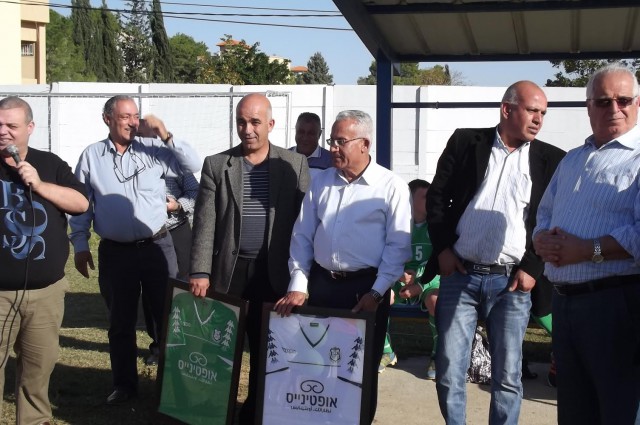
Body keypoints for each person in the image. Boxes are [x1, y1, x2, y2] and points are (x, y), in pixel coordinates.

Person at [426, 81, 565, 424]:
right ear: (507, 109)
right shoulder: (465, 142)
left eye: (543, 113)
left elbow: (554, 220)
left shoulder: (552, 159)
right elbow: (437, 197)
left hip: (511, 284)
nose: (539, 119)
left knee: (507, 377)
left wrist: (532, 267)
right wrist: (443, 249)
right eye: (532, 110)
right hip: (460, 276)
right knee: (449, 370)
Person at [275, 109, 412, 424]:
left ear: (364, 144)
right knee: (317, 364)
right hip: (323, 286)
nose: (333, 148)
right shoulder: (321, 182)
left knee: (359, 372)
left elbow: (398, 247)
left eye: (340, 141)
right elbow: (302, 235)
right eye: (332, 141)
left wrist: (377, 293)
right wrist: (298, 284)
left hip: (366, 290)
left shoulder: (391, 186)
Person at [69, 95, 201, 405]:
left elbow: (193, 165)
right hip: (116, 253)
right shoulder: (91, 156)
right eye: (125, 116)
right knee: (120, 322)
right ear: (108, 119)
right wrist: (80, 244)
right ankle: (124, 386)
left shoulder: (153, 149)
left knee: (170, 318)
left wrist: (164, 134)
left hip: (157, 246)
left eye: (135, 116)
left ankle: (175, 386)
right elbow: (81, 205)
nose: (132, 122)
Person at [189, 93, 309, 425]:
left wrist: (302, 277)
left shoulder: (294, 164)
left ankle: (255, 410)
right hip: (229, 272)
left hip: (273, 273)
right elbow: (205, 222)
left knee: (265, 348)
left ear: (270, 124)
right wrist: (200, 270)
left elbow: (305, 224)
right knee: (219, 347)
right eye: (241, 122)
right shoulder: (217, 165)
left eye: (255, 122)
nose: (247, 129)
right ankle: (213, 408)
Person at [533, 63, 640, 425]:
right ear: (589, 106)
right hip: (565, 305)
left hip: (616, 304)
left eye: (624, 100)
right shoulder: (573, 159)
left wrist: (588, 249)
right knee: (575, 411)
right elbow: (544, 214)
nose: (615, 108)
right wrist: (541, 240)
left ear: (638, 103)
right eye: (604, 101)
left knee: (619, 411)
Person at [0, 96, 89, 424]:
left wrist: (38, 184)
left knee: (38, 369)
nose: (3, 132)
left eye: (11, 125)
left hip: (45, 294)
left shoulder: (49, 164)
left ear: (30, 127)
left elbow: (80, 203)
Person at [379, 179, 440, 381]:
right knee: (380, 298)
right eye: (425, 197)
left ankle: (438, 356)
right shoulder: (397, 226)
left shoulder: (436, 226)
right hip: (400, 280)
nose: (431, 200)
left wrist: (419, 285)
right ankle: (386, 351)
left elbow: (439, 264)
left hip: (429, 281)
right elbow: (386, 256)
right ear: (410, 200)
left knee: (436, 301)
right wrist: (399, 274)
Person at [141, 172, 199, 366]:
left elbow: (194, 191)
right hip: (148, 235)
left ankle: (188, 346)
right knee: (152, 293)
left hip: (176, 230)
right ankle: (159, 347)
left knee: (183, 288)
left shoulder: (174, 159)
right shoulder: (132, 161)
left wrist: (178, 205)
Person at [289, 112, 332, 178]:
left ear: (319, 134)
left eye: (311, 133)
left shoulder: (331, 162)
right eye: (301, 132)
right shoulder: (282, 159)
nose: (305, 138)